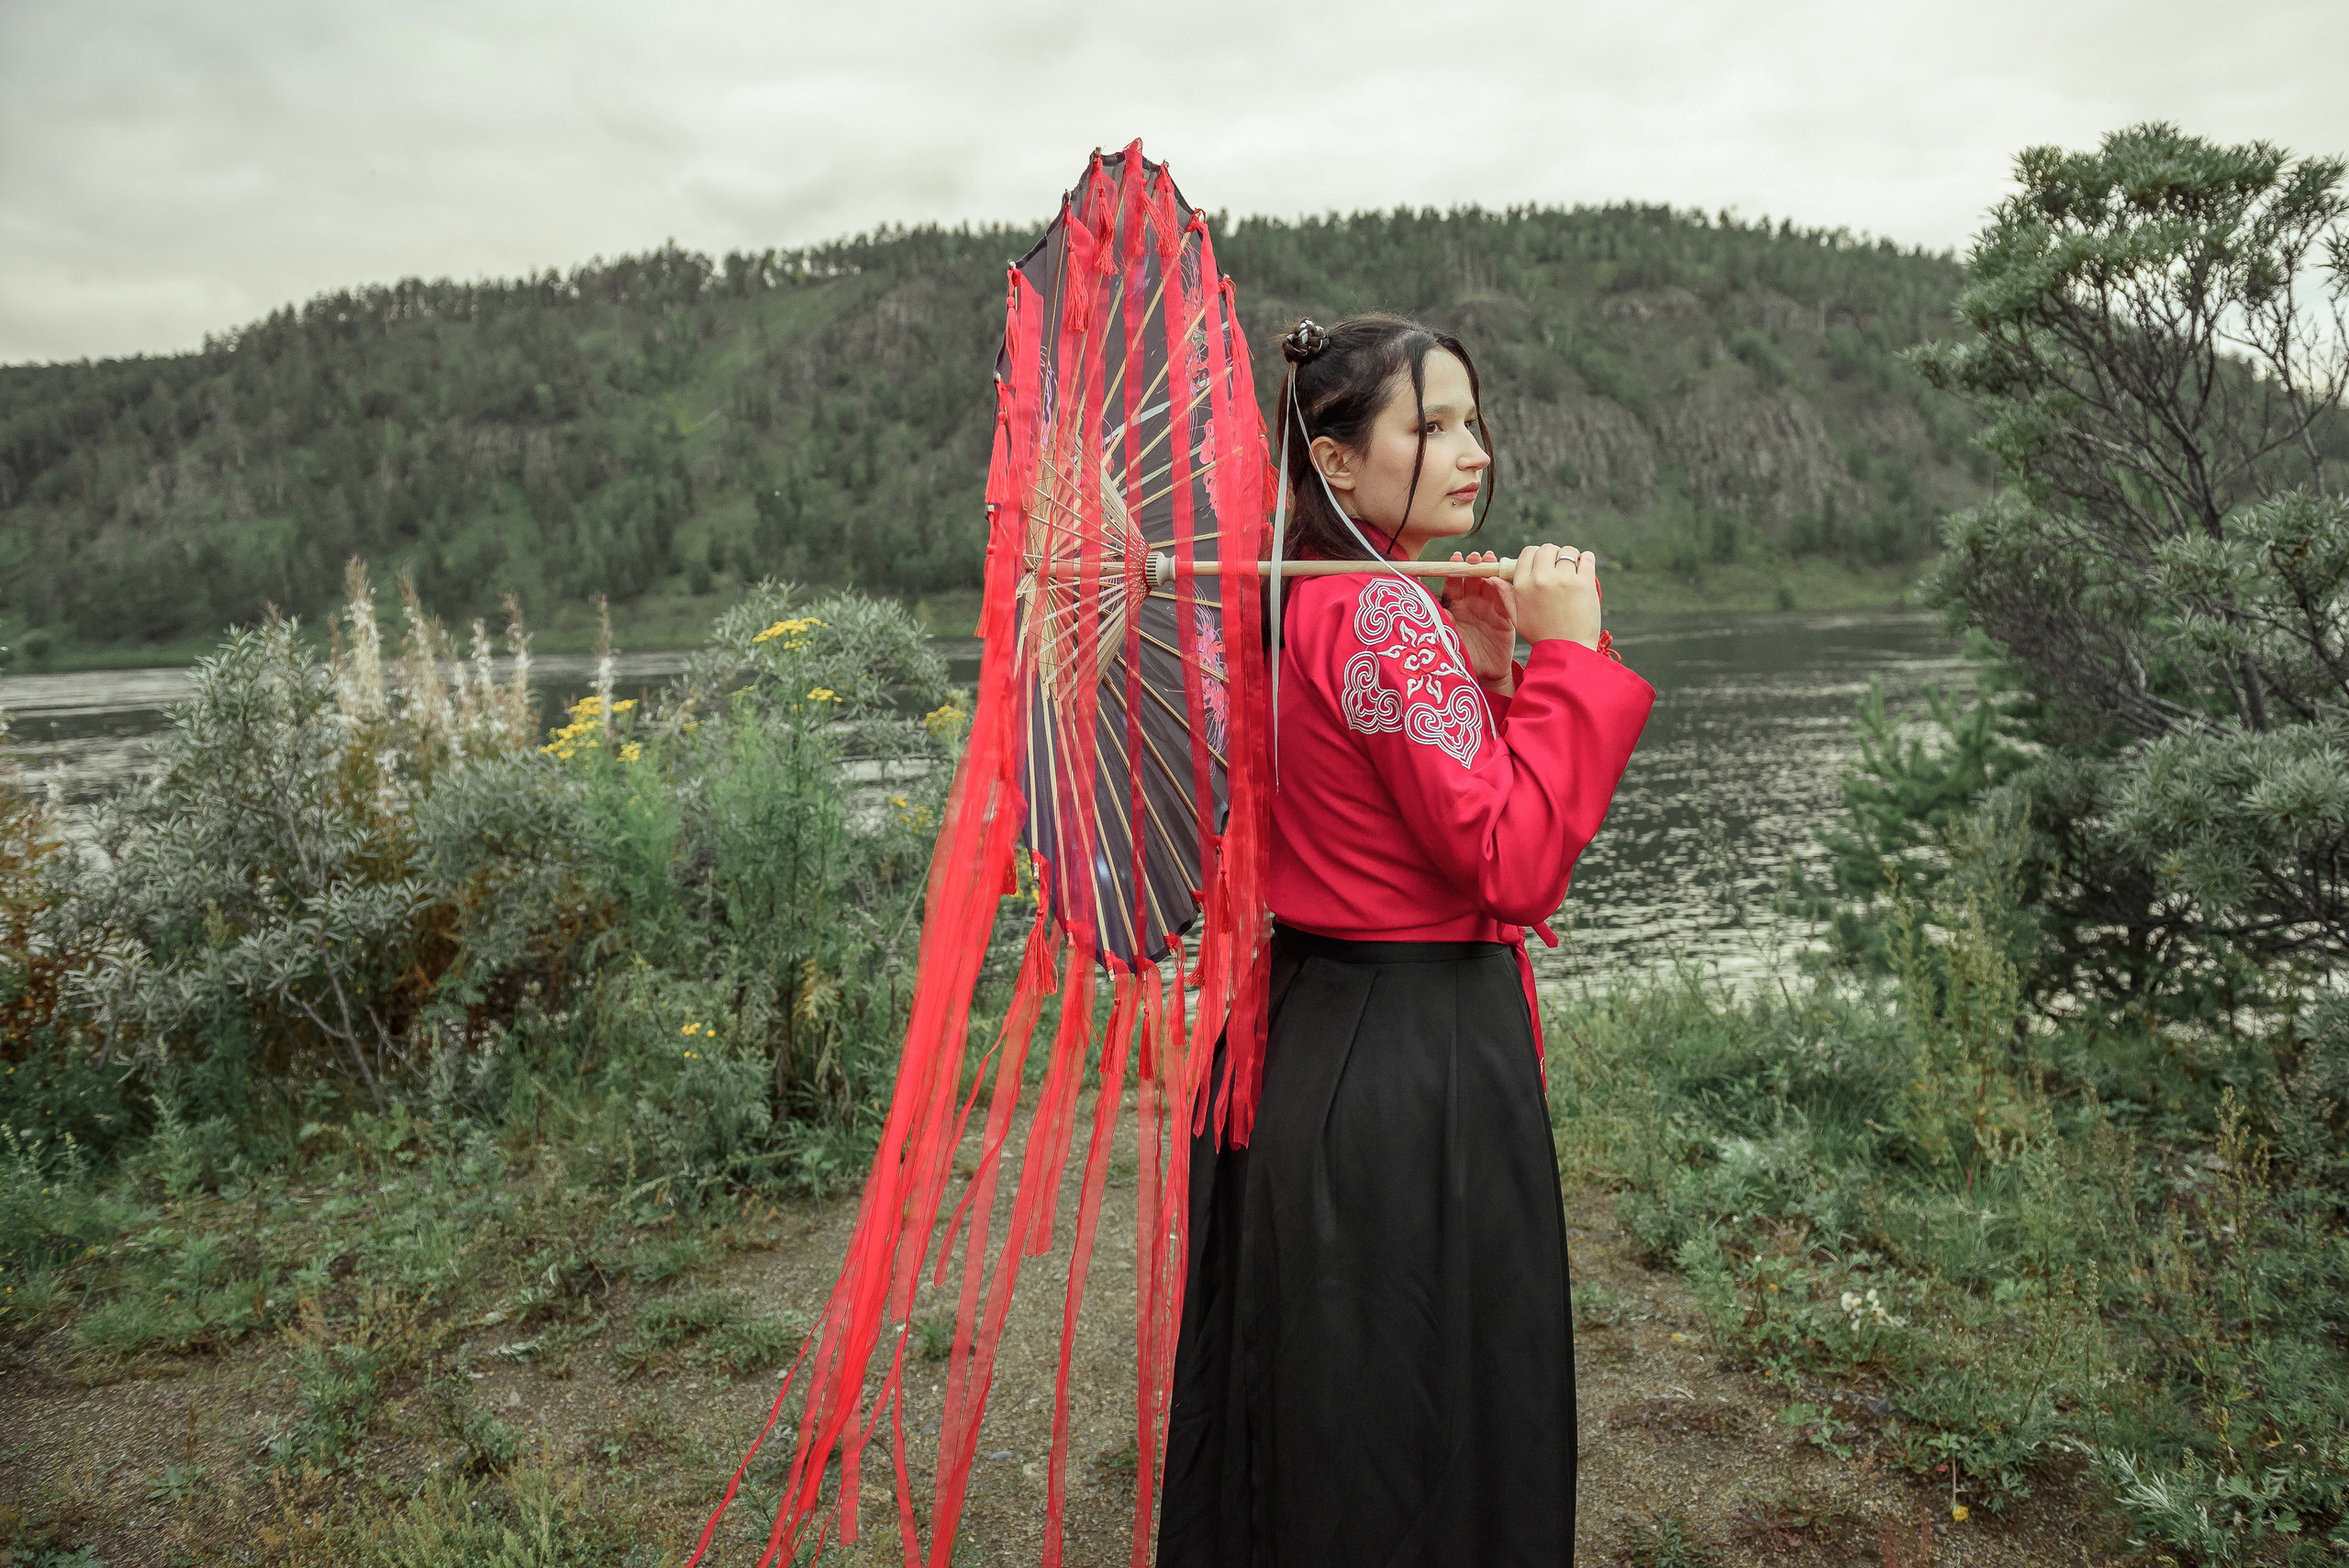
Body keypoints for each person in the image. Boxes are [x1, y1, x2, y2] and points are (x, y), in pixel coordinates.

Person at [1155, 314, 1655, 1566]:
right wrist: (1571, 658)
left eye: (1473, 419)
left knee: (1338, 1404)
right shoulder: (1373, 609)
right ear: (1334, 461)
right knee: (1421, 1411)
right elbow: (1511, 859)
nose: (1470, 449)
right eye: (1428, 424)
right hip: (1413, 1064)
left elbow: (1381, 810)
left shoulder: (1301, 598)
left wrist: (1484, 676)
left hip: (1316, 1028)